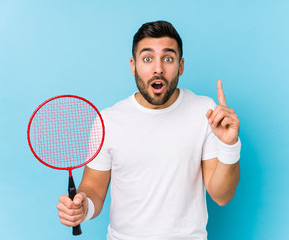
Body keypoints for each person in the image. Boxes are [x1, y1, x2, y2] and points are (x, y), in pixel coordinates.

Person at [56, 20, 241, 240]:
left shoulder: (206, 112)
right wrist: (83, 207)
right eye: (147, 58)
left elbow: (222, 195)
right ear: (133, 65)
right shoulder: (108, 120)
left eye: (168, 58)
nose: (158, 68)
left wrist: (229, 145)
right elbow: (93, 188)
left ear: (181, 66)